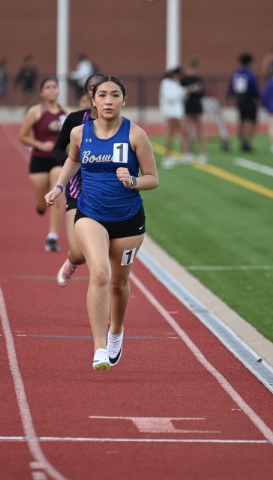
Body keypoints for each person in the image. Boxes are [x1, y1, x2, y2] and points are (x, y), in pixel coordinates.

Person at [44, 76, 159, 370]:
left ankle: (116, 331)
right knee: (100, 273)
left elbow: (153, 179)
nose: (109, 101)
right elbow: (73, 160)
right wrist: (58, 187)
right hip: (90, 215)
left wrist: (133, 181)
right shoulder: (79, 133)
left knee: (119, 284)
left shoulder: (136, 135)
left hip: (128, 221)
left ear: (124, 100)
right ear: (92, 100)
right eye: (103, 95)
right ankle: (99, 348)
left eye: (115, 95)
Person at [52, 73, 106, 287]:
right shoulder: (76, 120)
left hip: (107, 195)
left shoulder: (119, 124)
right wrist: (72, 162)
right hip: (78, 192)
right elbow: (58, 148)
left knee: (104, 258)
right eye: (93, 88)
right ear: (88, 94)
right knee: (79, 253)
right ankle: (72, 261)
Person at [19, 76, 68, 252]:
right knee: (42, 204)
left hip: (58, 159)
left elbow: (76, 134)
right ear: (41, 92)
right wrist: (40, 144)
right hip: (39, 160)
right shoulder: (35, 111)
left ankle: (52, 237)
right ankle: (40, 206)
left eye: (54, 87)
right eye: (48, 87)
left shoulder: (66, 112)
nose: (52, 90)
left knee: (57, 195)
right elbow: (22, 136)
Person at [226, 53, 260, 153]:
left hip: (239, 99)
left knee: (241, 121)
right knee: (252, 121)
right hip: (249, 99)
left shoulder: (236, 74)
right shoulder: (251, 74)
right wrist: (257, 99)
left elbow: (230, 87)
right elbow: (254, 88)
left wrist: (230, 97)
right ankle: (247, 142)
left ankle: (241, 142)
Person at [158, 66, 188, 168]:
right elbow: (170, 98)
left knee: (180, 134)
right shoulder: (166, 83)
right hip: (172, 113)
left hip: (177, 113)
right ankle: (168, 157)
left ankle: (182, 155)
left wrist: (184, 92)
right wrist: (183, 92)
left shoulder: (175, 83)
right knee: (173, 134)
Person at [181, 57, 207, 162]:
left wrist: (196, 90)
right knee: (185, 130)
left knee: (200, 130)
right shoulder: (183, 80)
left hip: (196, 105)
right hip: (186, 107)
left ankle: (202, 154)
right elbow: (181, 92)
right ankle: (185, 153)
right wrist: (189, 90)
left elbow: (202, 91)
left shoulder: (198, 79)